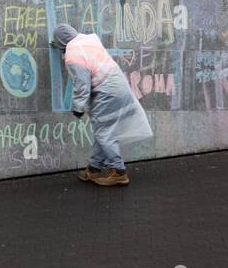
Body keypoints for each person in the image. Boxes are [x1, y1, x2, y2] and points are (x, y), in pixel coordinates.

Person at [50, 24, 152, 186]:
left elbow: (82, 83)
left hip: (106, 92)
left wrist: (78, 107)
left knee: (104, 132)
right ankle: (94, 168)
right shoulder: (89, 39)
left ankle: (118, 171)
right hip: (119, 86)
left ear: (61, 42)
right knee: (104, 130)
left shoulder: (73, 55)